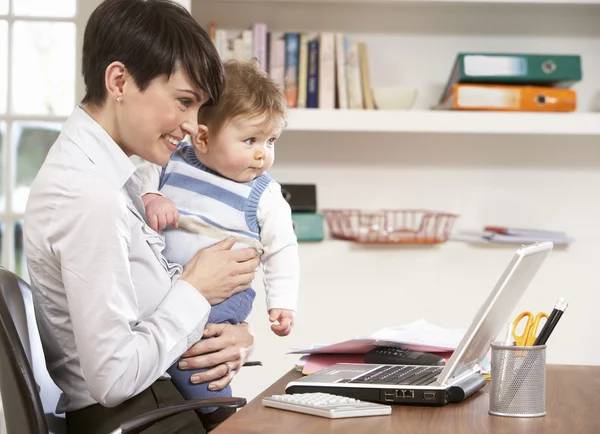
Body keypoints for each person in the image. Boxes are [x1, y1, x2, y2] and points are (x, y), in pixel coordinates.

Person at [23, 1, 259, 433]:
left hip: (157, 405)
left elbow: (148, 314)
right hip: (138, 416)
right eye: (184, 102)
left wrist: (233, 338)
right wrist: (195, 289)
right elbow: (114, 378)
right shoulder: (90, 196)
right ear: (119, 81)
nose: (192, 125)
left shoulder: (114, 177)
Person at [138, 59, 299, 409]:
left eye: (271, 141)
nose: (262, 153)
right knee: (168, 333)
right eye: (250, 139)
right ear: (203, 136)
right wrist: (152, 194)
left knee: (201, 351)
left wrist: (282, 302)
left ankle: (217, 411)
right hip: (174, 284)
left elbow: (282, 249)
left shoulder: (264, 194)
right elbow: (142, 174)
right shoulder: (172, 162)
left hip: (226, 295)